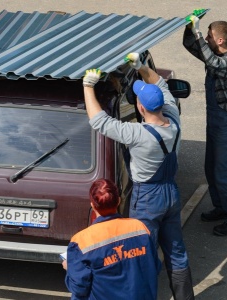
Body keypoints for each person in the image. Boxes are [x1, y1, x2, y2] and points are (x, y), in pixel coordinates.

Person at [82, 54, 194, 300]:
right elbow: (162, 85)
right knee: (176, 252)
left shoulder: (137, 133)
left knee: (143, 253)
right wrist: (141, 68)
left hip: (147, 199)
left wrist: (88, 86)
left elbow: (99, 121)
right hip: (170, 194)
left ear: (141, 107)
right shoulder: (173, 119)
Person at [62, 178, 161, 300]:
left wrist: (69, 268)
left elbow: (78, 288)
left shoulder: (81, 241)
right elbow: (155, 266)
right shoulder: (139, 227)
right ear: (118, 201)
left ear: (92, 205)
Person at [183, 16, 227, 236]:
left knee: (223, 173)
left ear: (219, 40)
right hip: (215, 121)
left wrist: (200, 33)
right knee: (210, 167)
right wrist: (189, 27)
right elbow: (190, 45)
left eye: (210, 37)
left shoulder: (226, 61)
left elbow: (214, 63)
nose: (207, 40)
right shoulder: (213, 55)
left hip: (226, 124)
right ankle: (220, 207)